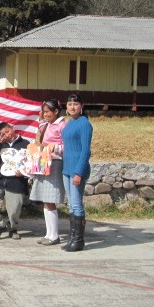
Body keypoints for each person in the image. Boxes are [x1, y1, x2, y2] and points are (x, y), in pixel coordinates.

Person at [0, 122, 30, 240]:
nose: (7, 135)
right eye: (3, 134)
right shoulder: (1, 144)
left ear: (12, 128)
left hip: (17, 180)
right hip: (1, 179)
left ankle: (13, 227)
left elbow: (30, 163)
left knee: (14, 208)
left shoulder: (25, 143)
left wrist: (24, 172)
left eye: (8, 131)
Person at [30, 100, 66, 246]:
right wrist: (41, 119)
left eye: (47, 112)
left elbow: (66, 146)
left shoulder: (62, 125)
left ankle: (54, 235)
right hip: (45, 162)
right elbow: (41, 132)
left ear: (56, 111)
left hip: (54, 162)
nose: (45, 115)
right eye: (44, 112)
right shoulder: (48, 124)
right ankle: (49, 233)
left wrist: (54, 147)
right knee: (45, 200)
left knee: (50, 199)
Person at [61, 94, 93, 252]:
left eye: (75, 104)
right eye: (69, 104)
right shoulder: (69, 123)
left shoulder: (84, 124)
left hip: (76, 169)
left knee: (76, 204)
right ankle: (72, 237)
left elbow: (86, 151)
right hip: (66, 168)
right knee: (71, 206)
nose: (72, 107)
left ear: (82, 106)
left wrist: (79, 172)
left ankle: (78, 240)